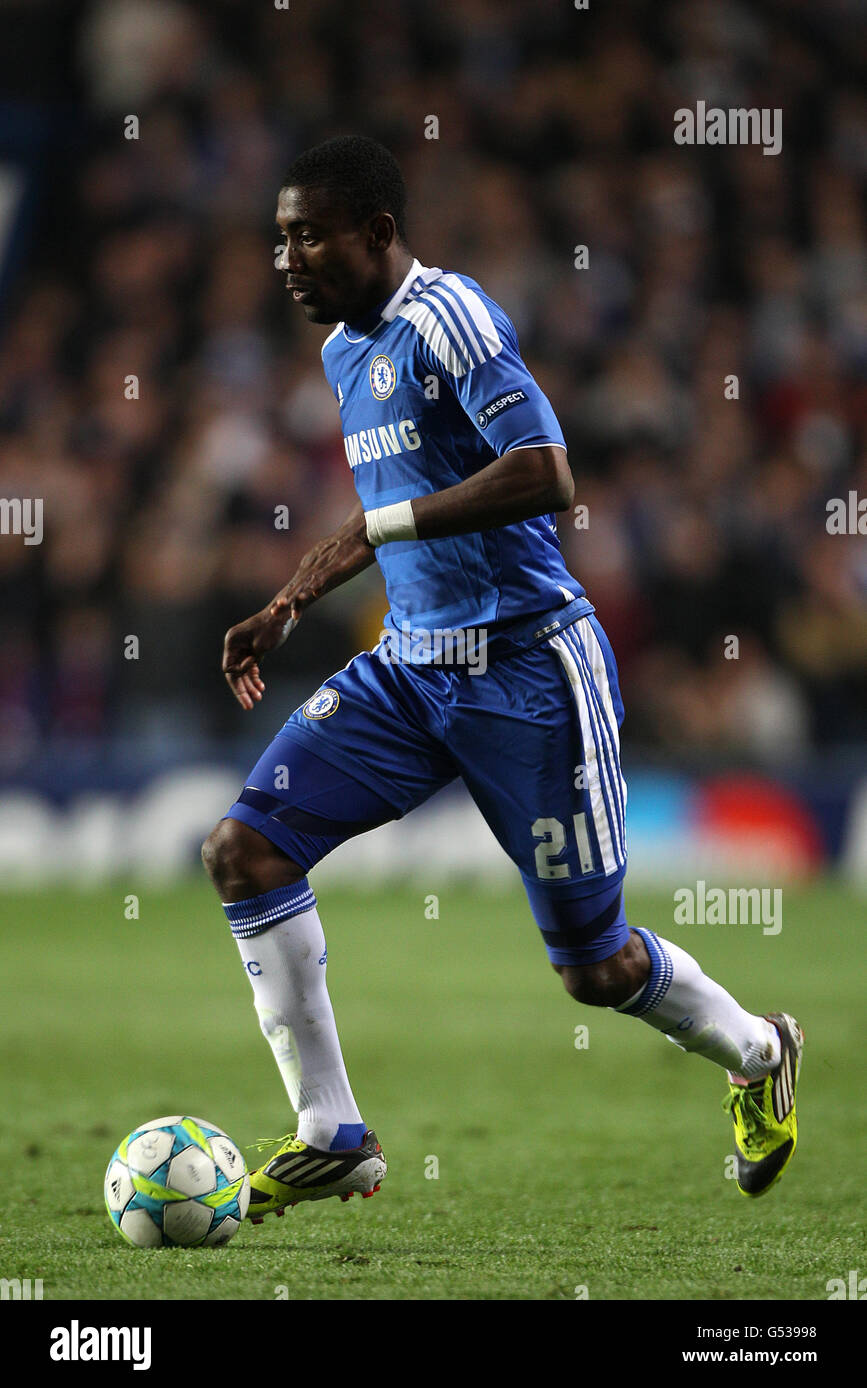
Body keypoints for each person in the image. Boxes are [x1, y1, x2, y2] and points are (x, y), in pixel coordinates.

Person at [202, 136, 802, 1221]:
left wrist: (368, 534)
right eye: (278, 236)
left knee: (595, 967)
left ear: (376, 233)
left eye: (307, 235)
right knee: (246, 849)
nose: (285, 257)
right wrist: (296, 592)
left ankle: (760, 1051)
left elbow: (546, 473)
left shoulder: (453, 318)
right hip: (410, 668)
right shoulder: (346, 348)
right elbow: (397, 503)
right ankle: (332, 1131)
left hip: (529, 671)